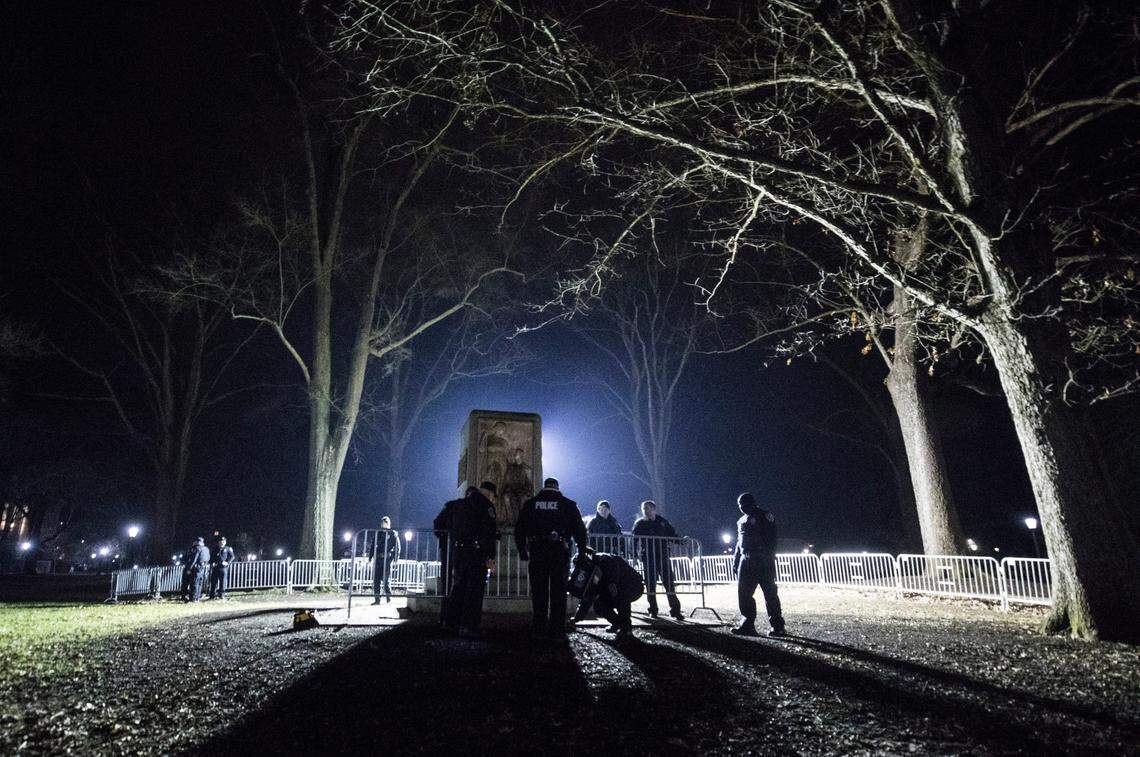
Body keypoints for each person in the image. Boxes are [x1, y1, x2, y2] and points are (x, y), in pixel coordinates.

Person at [516, 476, 588, 641]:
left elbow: (519, 529)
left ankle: (539, 629)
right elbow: (580, 531)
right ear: (557, 488)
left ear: (544, 487)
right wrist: (582, 551)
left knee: (539, 592)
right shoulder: (568, 505)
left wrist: (522, 551)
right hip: (559, 553)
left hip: (537, 551)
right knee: (558, 593)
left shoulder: (531, 504)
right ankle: (557, 631)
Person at [435, 482, 498, 638]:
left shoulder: (456, 505)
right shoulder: (487, 507)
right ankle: (469, 626)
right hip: (477, 553)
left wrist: (446, 542)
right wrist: (491, 557)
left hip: (458, 552)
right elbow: (489, 534)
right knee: (474, 591)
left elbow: (439, 524)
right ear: (489, 493)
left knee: (458, 588)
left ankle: (451, 623)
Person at [731, 492, 786, 637]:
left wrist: (768, 556)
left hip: (762, 559)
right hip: (746, 559)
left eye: (744, 504)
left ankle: (778, 626)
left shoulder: (764, 515)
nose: (742, 507)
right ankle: (747, 623)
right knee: (744, 593)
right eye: (740, 505)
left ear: (752, 503)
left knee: (770, 593)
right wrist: (736, 560)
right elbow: (739, 543)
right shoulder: (741, 520)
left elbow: (772, 538)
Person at [570, 548, 644, 638]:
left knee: (620, 596)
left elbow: (614, 583)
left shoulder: (604, 560)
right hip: (620, 588)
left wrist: (611, 584)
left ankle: (626, 628)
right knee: (599, 606)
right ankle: (618, 624)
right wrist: (576, 619)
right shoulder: (592, 570)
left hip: (633, 587)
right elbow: (588, 597)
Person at [631, 500, 683, 620]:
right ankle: (653, 610)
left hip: (663, 556)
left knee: (669, 583)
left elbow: (672, 534)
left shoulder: (662, 521)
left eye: (648, 508)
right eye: (644, 509)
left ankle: (675, 610)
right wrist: (634, 554)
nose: (646, 511)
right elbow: (634, 540)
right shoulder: (639, 523)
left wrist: (680, 541)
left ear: (654, 509)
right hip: (648, 557)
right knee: (651, 585)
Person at [372, 516, 401, 604]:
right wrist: (371, 556)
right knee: (376, 580)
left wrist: (395, 558)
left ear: (388, 524)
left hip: (387, 559)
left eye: (385, 522)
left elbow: (397, 547)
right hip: (378, 559)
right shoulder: (379, 533)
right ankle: (377, 599)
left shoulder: (392, 533)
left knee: (385, 580)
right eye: (382, 522)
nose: (383, 524)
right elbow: (373, 544)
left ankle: (388, 597)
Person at [185, 537, 210, 603]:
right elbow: (208, 558)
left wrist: (189, 569)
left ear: (198, 542)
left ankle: (193, 598)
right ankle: (197, 598)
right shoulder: (206, 549)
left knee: (194, 583)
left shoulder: (198, 548)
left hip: (196, 567)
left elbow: (194, 559)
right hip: (202, 567)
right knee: (199, 583)